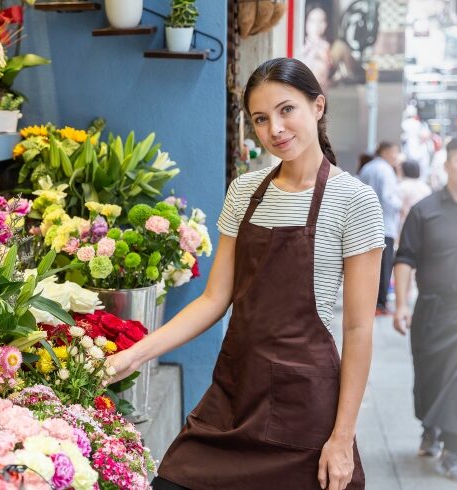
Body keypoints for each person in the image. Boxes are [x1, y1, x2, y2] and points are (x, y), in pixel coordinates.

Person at [106, 58, 384, 490]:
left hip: (305, 404)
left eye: (286, 109)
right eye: (260, 118)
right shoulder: (244, 192)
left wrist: (342, 437)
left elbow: (359, 328)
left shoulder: (355, 201)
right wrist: (134, 355)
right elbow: (215, 299)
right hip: (236, 390)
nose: (275, 128)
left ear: (318, 106)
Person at [393, 135, 457, 481]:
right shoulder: (425, 211)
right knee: (429, 380)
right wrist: (402, 304)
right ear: (447, 163)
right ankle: (431, 426)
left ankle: (453, 446)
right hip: (431, 311)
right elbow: (404, 259)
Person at [358, 141, 402, 314]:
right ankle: (380, 304)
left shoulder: (367, 168)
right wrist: (402, 206)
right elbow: (389, 198)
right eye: (394, 152)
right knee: (383, 268)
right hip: (384, 226)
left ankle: (367, 303)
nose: (395, 156)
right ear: (384, 151)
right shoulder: (385, 170)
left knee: (366, 267)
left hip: (364, 226)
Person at [396, 159, 431, 231]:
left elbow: (398, 206)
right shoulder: (426, 187)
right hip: (424, 222)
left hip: (406, 223)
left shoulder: (403, 186)